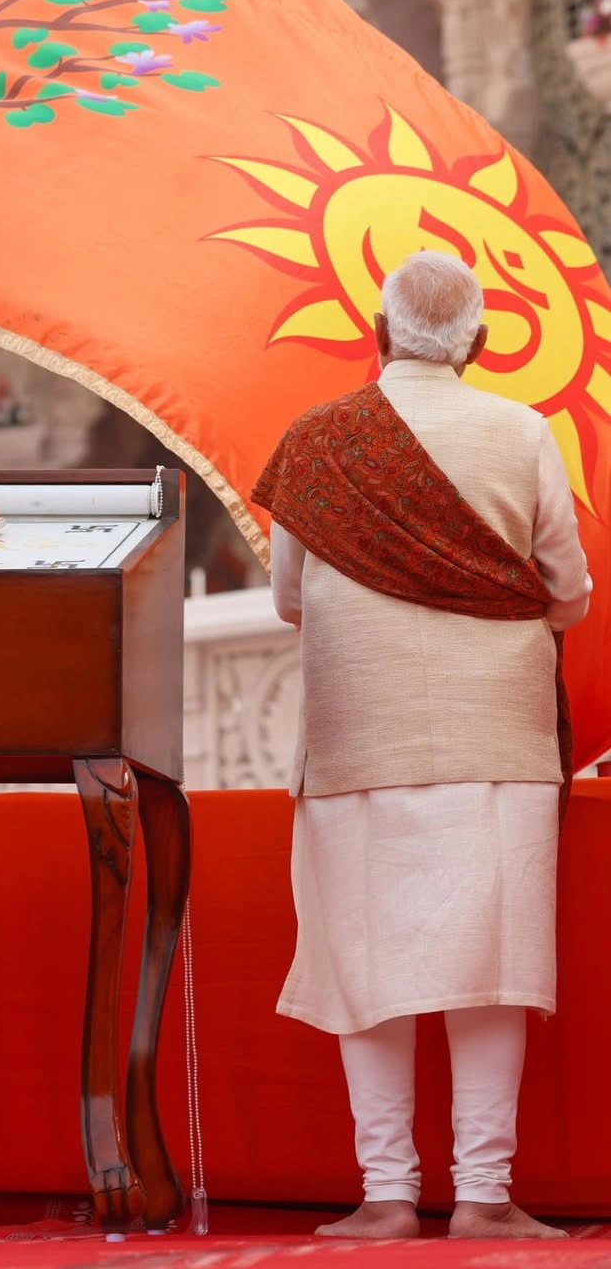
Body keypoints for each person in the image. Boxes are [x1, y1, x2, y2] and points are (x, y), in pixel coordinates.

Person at [252, 250, 592, 1241]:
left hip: (359, 738)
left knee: (367, 965)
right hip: (498, 738)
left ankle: (387, 1195)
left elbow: (288, 599)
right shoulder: (521, 431)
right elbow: (567, 592)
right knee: (493, 966)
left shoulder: (317, 440)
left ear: (377, 333)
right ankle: (483, 1196)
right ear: (477, 342)